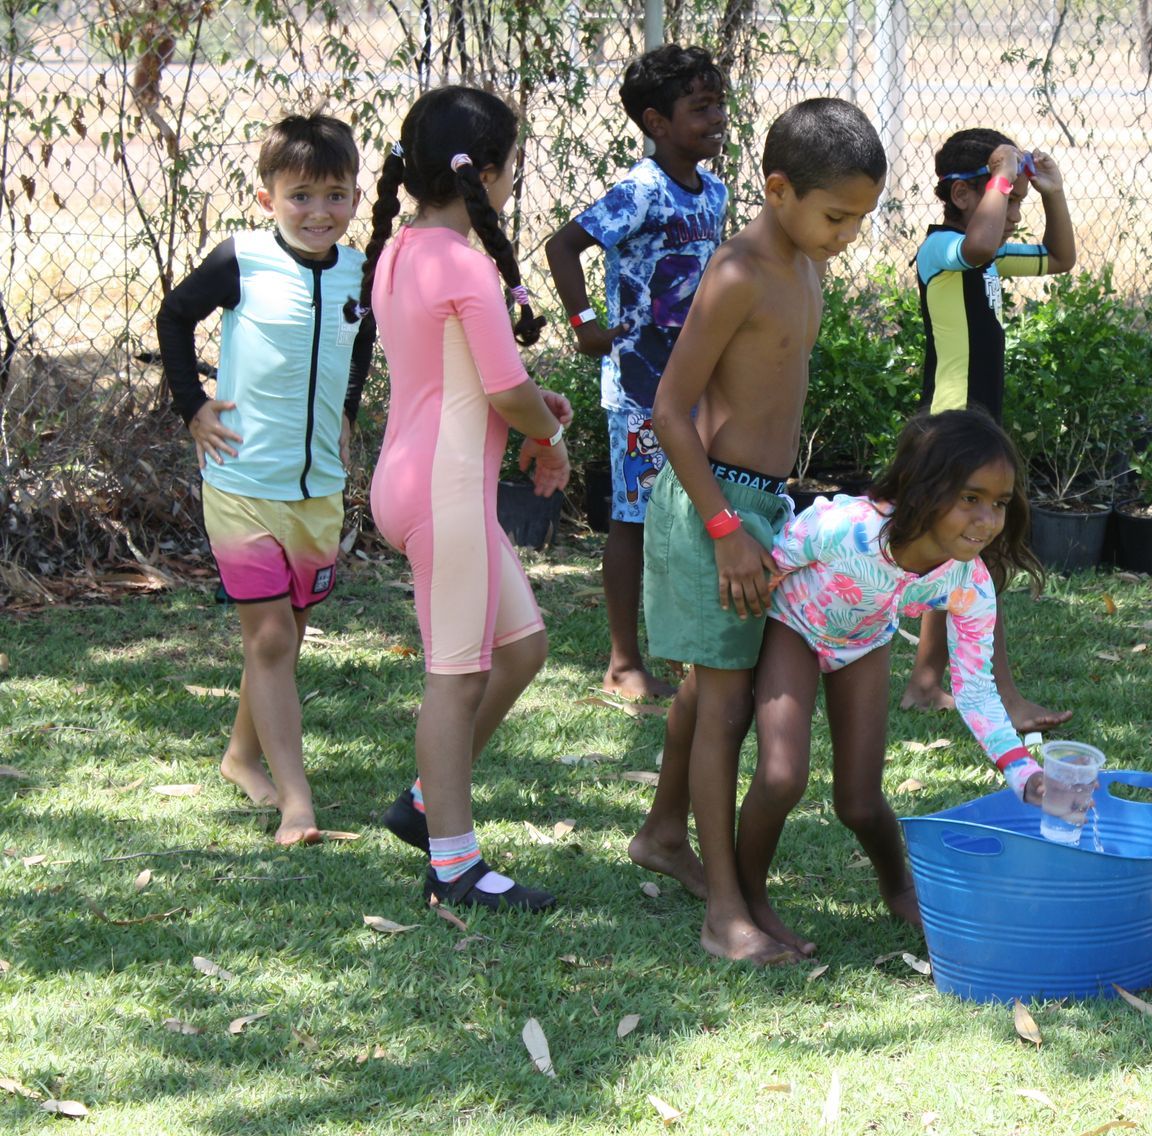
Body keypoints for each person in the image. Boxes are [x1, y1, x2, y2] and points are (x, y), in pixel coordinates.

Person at [623, 98, 886, 964]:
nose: (847, 233)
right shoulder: (740, 271)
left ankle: (666, 835)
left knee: (708, 690)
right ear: (779, 190)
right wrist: (727, 526)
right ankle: (724, 913)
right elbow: (667, 411)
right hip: (715, 507)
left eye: (860, 218)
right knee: (724, 706)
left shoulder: (805, 262)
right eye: (837, 214)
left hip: (762, 506)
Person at [358, 86, 573, 911]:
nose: (511, 182)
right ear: (484, 173)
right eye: (511, 168)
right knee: (455, 677)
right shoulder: (465, 263)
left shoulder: (403, 248)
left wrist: (530, 410)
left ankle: (423, 803)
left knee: (521, 650)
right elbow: (503, 387)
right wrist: (545, 428)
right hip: (444, 494)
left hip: (425, 482)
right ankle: (452, 864)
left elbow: (483, 382)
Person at [736, 410, 1047, 957]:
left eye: (999, 502)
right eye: (970, 498)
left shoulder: (969, 582)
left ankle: (899, 887)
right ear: (926, 489)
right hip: (793, 626)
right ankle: (749, 901)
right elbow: (777, 559)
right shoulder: (852, 529)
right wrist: (733, 646)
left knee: (859, 802)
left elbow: (974, 689)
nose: (988, 519)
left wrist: (1022, 772)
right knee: (782, 776)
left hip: (863, 644)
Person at [154, 113, 374, 846]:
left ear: (355, 197)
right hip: (243, 478)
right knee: (273, 637)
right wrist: (192, 405)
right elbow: (173, 315)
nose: (319, 212)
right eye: (301, 196)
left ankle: (241, 756)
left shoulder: (358, 270)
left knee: (286, 634)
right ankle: (296, 803)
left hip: (318, 487)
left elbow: (360, 339)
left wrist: (346, 409)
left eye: (336, 195)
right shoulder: (240, 259)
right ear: (267, 198)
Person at [544, 44, 728, 703]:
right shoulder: (639, 191)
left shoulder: (715, 191)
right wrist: (584, 322)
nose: (716, 118)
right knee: (634, 519)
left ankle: (686, 652)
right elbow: (563, 245)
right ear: (656, 122)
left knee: (692, 515)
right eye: (699, 107)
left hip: (697, 385)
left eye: (719, 104)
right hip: (640, 390)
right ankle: (624, 662)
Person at [897, 127, 1075, 735]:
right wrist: (1003, 178)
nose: (1014, 212)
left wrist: (1050, 195)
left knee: (947, 551)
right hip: (952, 425)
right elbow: (976, 247)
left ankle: (924, 684)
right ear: (966, 195)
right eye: (1006, 198)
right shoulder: (942, 249)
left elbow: (1060, 258)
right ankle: (1003, 700)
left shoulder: (991, 249)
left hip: (972, 425)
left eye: (1019, 202)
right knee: (984, 554)